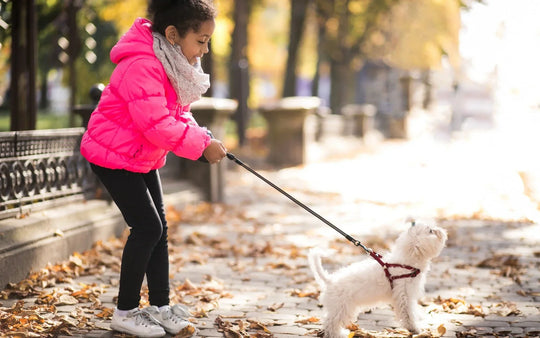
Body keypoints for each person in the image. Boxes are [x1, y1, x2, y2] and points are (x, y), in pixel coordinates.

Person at [79, 0, 227, 336]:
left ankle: (160, 306)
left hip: (140, 155)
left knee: (160, 229)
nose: (203, 50)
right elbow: (157, 124)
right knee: (147, 228)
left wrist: (204, 137)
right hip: (111, 154)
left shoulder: (169, 61)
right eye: (201, 40)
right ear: (173, 34)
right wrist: (202, 148)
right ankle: (126, 311)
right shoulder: (143, 64)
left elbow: (177, 112)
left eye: (207, 41)